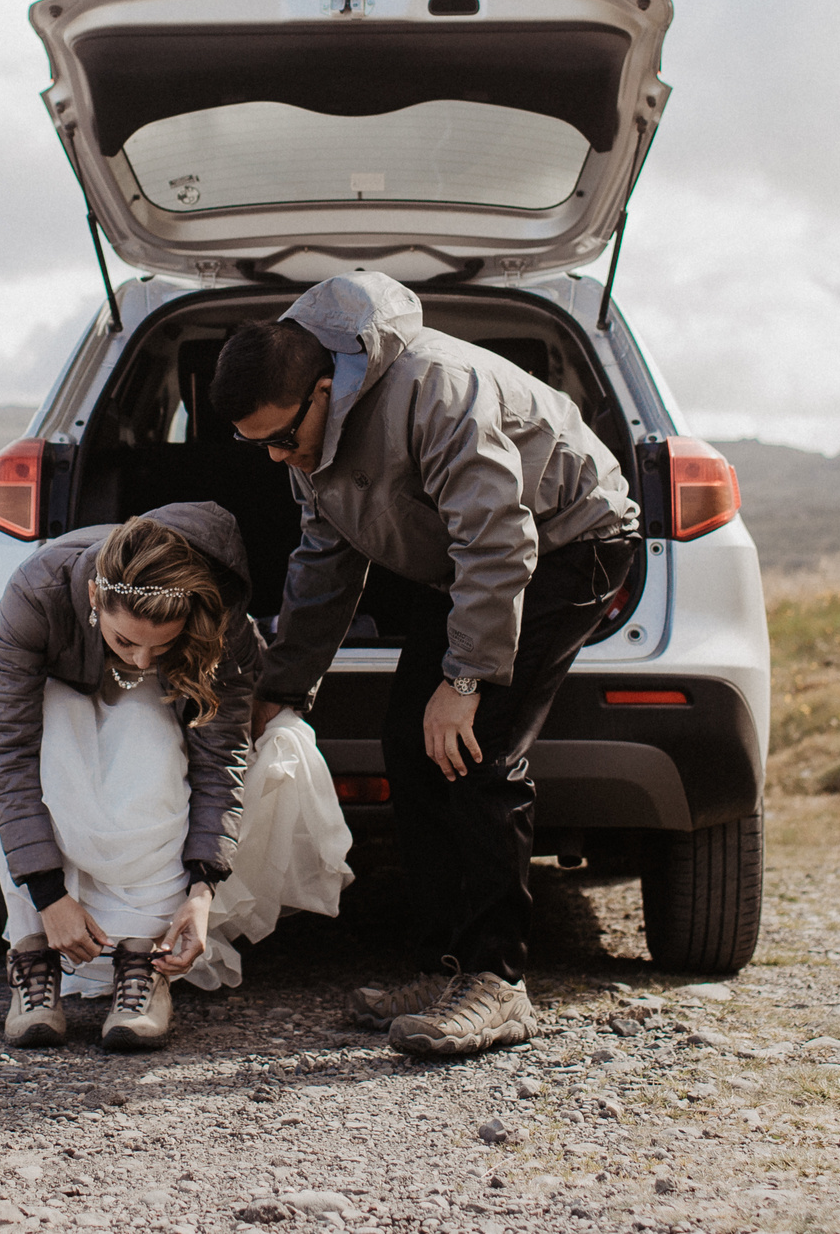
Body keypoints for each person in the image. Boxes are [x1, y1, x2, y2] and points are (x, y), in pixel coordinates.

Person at [211, 273, 640, 1058]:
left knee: (477, 749)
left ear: (322, 388)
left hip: (569, 541)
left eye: (281, 436)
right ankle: (442, 966)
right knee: (411, 742)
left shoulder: (437, 388)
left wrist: (467, 681)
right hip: (474, 564)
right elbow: (323, 562)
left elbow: (502, 540)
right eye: (259, 445)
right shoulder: (308, 437)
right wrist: (282, 689)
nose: (277, 456)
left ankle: (497, 982)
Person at [0, 502, 350, 1051]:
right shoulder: (36, 595)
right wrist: (48, 895)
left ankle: (142, 961)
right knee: (44, 734)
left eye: (163, 645)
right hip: (59, 707)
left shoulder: (219, 623)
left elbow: (220, 759)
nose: (143, 661)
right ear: (93, 600)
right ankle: (32, 953)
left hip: (157, 726)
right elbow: (4, 751)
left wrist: (203, 890)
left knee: (150, 737)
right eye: (126, 642)